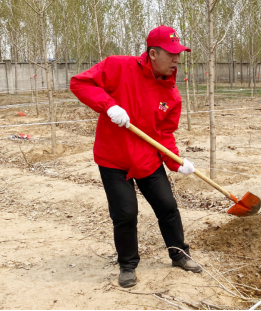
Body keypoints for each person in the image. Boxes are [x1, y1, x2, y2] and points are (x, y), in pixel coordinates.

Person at [70, 25, 201, 288]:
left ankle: (179, 254)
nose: (177, 60)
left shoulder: (171, 94)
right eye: (171, 54)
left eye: (179, 54)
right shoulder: (118, 66)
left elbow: (164, 134)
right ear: (153, 54)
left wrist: (177, 162)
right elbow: (79, 82)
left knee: (167, 207)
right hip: (113, 159)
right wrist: (109, 105)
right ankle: (128, 265)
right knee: (126, 213)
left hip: (147, 161)